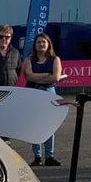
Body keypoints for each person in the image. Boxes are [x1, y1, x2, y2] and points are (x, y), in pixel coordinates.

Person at [23, 33, 63, 166]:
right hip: (33, 93)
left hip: (49, 93)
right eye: (38, 42)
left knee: (49, 124)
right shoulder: (29, 60)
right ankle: (37, 156)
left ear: (48, 44)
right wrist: (46, 74)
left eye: (43, 42)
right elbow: (28, 76)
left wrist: (37, 77)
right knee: (34, 123)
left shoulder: (55, 59)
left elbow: (55, 77)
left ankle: (49, 156)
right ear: (35, 45)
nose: (41, 44)